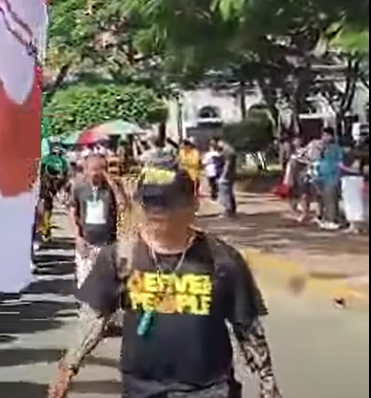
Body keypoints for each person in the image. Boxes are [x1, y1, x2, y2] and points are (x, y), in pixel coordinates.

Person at [48, 170, 282, 398]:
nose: (156, 213)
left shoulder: (222, 259)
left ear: (193, 206)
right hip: (142, 387)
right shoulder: (120, 256)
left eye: (167, 204)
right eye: (149, 204)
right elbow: (96, 314)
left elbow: (247, 324)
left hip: (210, 388)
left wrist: (267, 381)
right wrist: (68, 365)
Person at [69, 154, 130, 287]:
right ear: (85, 170)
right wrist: (78, 236)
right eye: (93, 169)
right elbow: (73, 212)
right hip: (87, 241)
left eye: (101, 169)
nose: (96, 173)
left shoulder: (112, 188)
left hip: (108, 242)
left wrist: (113, 185)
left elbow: (123, 206)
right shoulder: (79, 187)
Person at [314, 128, 347, 230]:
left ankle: (332, 220)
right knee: (323, 198)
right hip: (321, 177)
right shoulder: (321, 148)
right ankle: (326, 218)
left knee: (331, 199)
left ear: (332, 136)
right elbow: (318, 161)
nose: (325, 137)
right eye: (323, 135)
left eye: (327, 135)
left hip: (332, 177)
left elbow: (340, 163)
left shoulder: (336, 148)